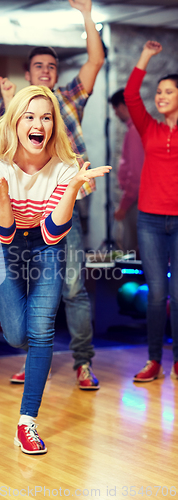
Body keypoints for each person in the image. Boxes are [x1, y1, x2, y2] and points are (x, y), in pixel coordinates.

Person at [0, 0, 105, 390]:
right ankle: (37, 354)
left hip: (66, 204)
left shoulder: (68, 99)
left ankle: (81, 362)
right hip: (17, 213)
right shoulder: (17, 107)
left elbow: (94, 62)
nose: (47, 71)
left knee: (73, 286)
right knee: (24, 296)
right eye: (39, 67)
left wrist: (87, 16)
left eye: (52, 66)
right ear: (28, 74)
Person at [0, 85, 111, 454]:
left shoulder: (65, 166)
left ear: (54, 124)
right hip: (3, 242)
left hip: (45, 242)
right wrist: (2, 194)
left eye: (47, 117)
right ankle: (26, 354)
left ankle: (27, 423)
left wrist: (72, 187)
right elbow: (2, 232)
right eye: (30, 116)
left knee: (42, 329)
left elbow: (53, 233)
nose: (39, 124)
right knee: (18, 335)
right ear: (16, 122)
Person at [124, 41, 178, 383]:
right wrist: (144, 57)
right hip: (150, 221)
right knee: (157, 294)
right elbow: (131, 95)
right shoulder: (150, 128)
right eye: (159, 91)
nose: (160, 96)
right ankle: (154, 360)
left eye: (168, 92)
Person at [109, 89, 144, 254]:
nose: (116, 114)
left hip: (136, 202)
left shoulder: (135, 131)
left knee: (133, 251)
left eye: (116, 110)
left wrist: (123, 206)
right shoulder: (136, 129)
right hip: (136, 200)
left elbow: (137, 175)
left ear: (123, 106)